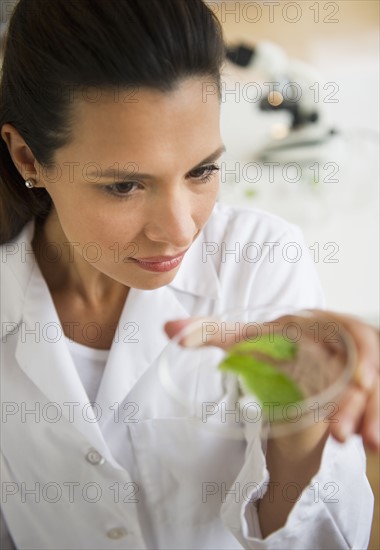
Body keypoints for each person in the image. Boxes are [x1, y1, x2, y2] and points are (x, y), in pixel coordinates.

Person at [0, 1, 378, 549]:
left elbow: (325, 539)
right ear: (28, 158)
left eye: (202, 171)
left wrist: (299, 426)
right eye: (124, 185)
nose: (178, 231)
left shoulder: (262, 261)